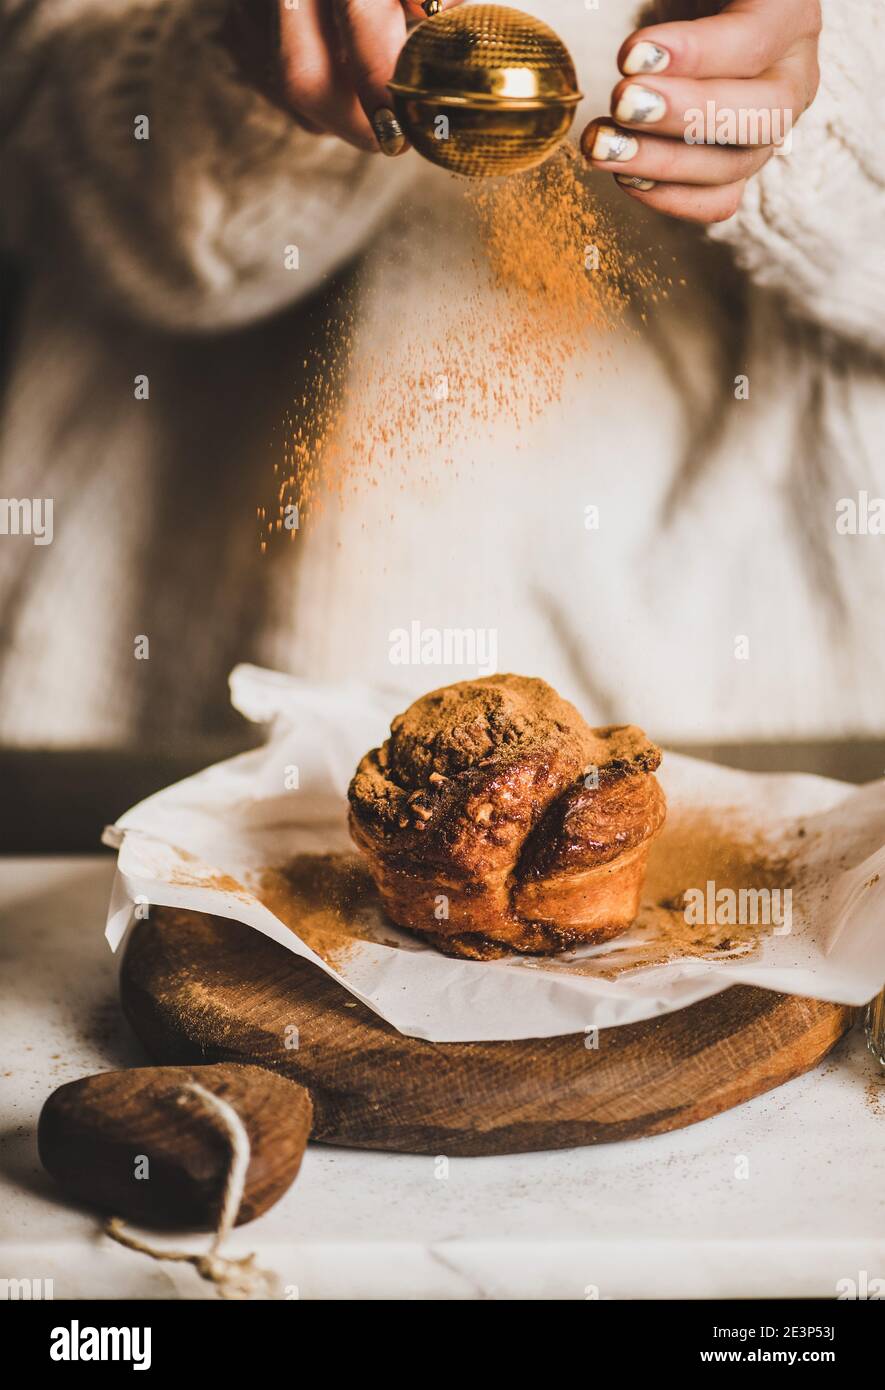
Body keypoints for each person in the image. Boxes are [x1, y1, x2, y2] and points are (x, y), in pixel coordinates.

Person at [0, 0, 882, 751]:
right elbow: (30, 141)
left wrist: (813, 107)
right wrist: (245, 56)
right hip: (207, 677)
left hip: (779, 703)